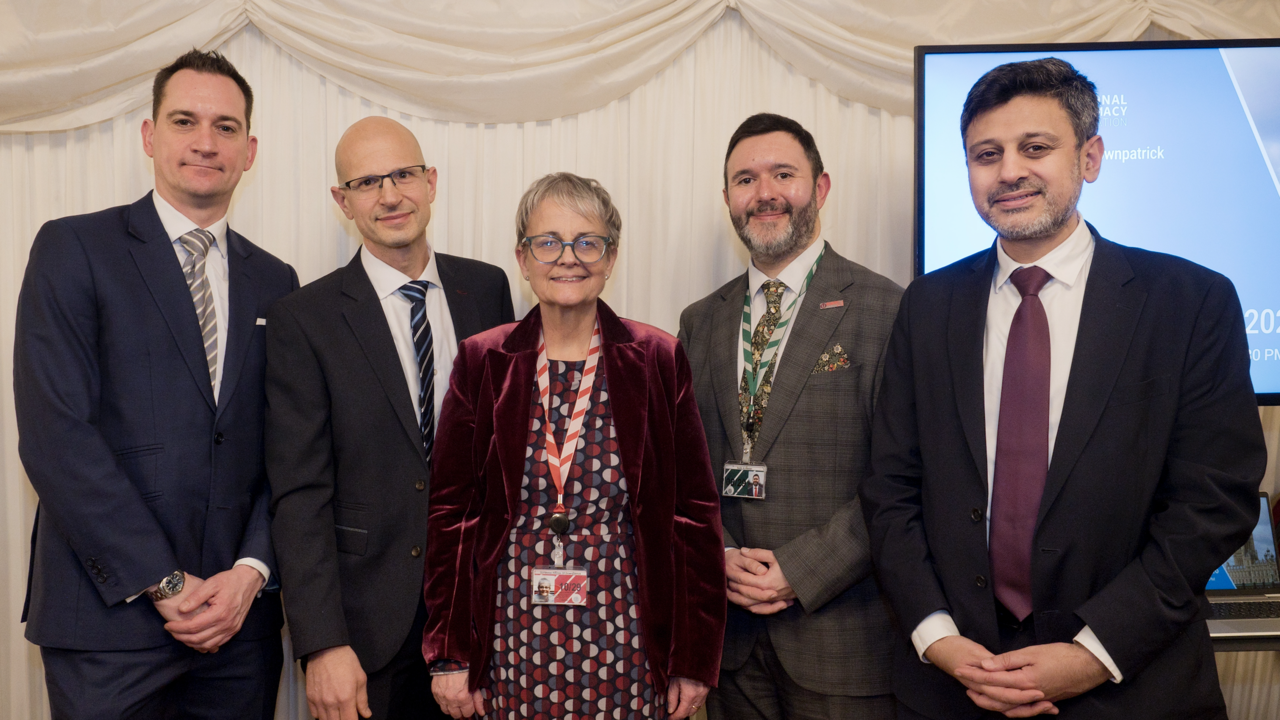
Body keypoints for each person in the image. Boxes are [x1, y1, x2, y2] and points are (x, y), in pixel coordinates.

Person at [860, 57, 1267, 719]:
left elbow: (1213, 503)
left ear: (1090, 158)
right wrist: (938, 638)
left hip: (1133, 683)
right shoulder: (927, 306)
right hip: (956, 685)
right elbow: (890, 489)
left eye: (1035, 148)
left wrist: (1092, 654)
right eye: (986, 154)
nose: (1008, 171)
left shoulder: (1190, 302)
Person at [14, 50, 294, 718]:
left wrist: (250, 573)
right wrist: (162, 582)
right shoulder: (74, 248)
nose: (206, 142)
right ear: (149, 135)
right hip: (107, 626)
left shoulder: (276, 281)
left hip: (237, 631)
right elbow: (56, 436)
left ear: (250, 151)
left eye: (226, 127)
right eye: (184, 121)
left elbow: (291, 449)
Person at [423, 172, 727, 720]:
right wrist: (449, 654)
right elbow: (453, 515)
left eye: (588, 242)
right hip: (511, 638)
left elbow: (692, 515)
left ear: (611, 258)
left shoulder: (656, 358)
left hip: (628, 636)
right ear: (523, 258)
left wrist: (693, 658)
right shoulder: (483, 361)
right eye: (548, 242)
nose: (568, 257)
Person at [265, 116, 514, 720]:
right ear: (342, 200)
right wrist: (322, 643)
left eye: (403, 174)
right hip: (367, 635)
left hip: (484, 618)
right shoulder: (305, 319)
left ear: (431, 182)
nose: (390, 195)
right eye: (368, 182)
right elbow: (299, 493)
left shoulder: (488, 289)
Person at [678, 113, 903, 719]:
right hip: (732, 642)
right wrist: (721, 554)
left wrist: (799, 571)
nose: (765, 193)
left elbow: (901, 478)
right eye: (745, 179)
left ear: (820, 187)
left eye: (783, 174)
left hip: (841, 639)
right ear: (727, 197)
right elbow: (684, 467)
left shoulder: (885, 308)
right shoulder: (701, 320)